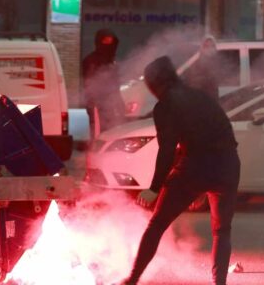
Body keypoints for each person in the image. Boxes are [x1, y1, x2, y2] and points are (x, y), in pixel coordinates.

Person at [122, 56, 240, 285]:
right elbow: (217, 134)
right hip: (228, 164)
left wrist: (155, 188)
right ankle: (220, 283)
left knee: (156, 225)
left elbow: (167, 149)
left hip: (195, 166)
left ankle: (132, 280)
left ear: (155, 84)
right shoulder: (202, 97)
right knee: (222, 230)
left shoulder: (166, 105)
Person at [82, 29, 125, 138]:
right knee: (97, 131)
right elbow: (89, 83)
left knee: (112, 130)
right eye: (105, 41)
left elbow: (115, 84)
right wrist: (92, 103)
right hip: (96, 104)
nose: (108, 46)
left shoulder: (112, 62)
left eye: (111, 42)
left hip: (111, 103)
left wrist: (119, 102)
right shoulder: (91, 61)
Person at [183, 36, 220, 100]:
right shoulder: (196, 62)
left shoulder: (217, 62)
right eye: (206, 46)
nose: (210, 48)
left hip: (212, 98)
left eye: (212, 46)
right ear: (202, 48)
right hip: (200, 97)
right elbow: (192, 79)